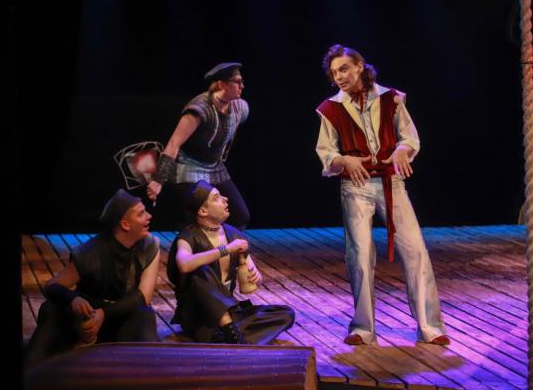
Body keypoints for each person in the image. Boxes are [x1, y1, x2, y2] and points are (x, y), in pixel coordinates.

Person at [315, 44, 449, 346]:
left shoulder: (392, 99)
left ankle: (430, 326)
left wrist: (403, 149)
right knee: (360, 255)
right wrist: (344, 160)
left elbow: (409, 137)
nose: (339, 76)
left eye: (344, 69)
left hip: (392, 183)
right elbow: (326, 152)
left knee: (415, 250)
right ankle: (363, 328)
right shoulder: (331, 109)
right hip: (356, 186)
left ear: (360, 66)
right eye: (334, 73)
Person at [25, 189, 161, 368]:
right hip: (87, 317)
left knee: (144, 314)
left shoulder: (150, 245)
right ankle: (33, 371)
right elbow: (52, 285)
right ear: (125, 224)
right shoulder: (90, 253)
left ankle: (147, 372)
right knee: (51, 309)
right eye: (141, 213)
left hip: (122, 314)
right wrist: (73, 298)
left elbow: (143, 296)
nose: (149, 216)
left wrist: (104, 313)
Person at [167, 180, 295, 344]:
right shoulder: (188, 237)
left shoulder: (234, 235)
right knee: (200, 270)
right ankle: (231, 333)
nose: (225, 199)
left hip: (230, 312)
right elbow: (184, 264)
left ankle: (229, 336)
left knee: (286, 314)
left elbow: (251, 276)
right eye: (217, 198)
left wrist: (256, 277)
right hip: (200, 316)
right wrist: (226, 249)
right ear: (203, 210)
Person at [147, 62, 251, 230]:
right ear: (222, 84)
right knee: (200, 215)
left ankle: (222, 244)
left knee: (240, 216)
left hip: (215, 167)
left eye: (242, 81)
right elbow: (174, 143)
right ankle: (191, 243)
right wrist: (158, 180)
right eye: (237, 82)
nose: (242, 86)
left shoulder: (241, 107)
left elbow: (230, 127)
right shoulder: (199, 109)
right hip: (189, 166)